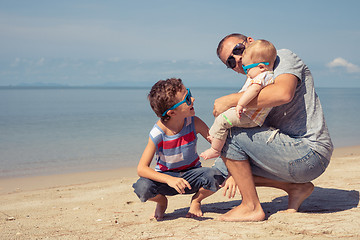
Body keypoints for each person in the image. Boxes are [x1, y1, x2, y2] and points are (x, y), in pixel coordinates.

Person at [213, 33, 333, 222]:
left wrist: (229, 101)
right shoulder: (255, 83)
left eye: (237, 50)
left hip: (309, 152)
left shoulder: (281, 58)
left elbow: (283, 93)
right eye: (230, 61)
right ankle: (295, 188)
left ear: (250, 41)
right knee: (221, 169)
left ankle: (250, 207)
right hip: (286, 153)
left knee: (232, 132)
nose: (237, 59)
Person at [132, 78, 224, 220]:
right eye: (187, 99)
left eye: (190, 94)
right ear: (172, 113)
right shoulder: (158, 133)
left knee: (216, 176)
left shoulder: (195, 123)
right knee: (142, 187)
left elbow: (217, 142)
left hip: (192, 176)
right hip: (166, 179)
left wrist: (224, 121)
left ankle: (196, 200)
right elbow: (141, 169)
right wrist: (169, 179)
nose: (193, 99)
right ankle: (162, 202)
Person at [200, 40, 276, 160]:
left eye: (248, 69)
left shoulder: (261, 77)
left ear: (261, 66)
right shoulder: (269, 76)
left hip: (250, 116)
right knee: (225, 121)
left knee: (222, 120)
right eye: (230, 62)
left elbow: (253, 90)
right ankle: (217, 136)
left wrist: (240, 104)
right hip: (254, 118)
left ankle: (215, 148)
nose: (247, 73)